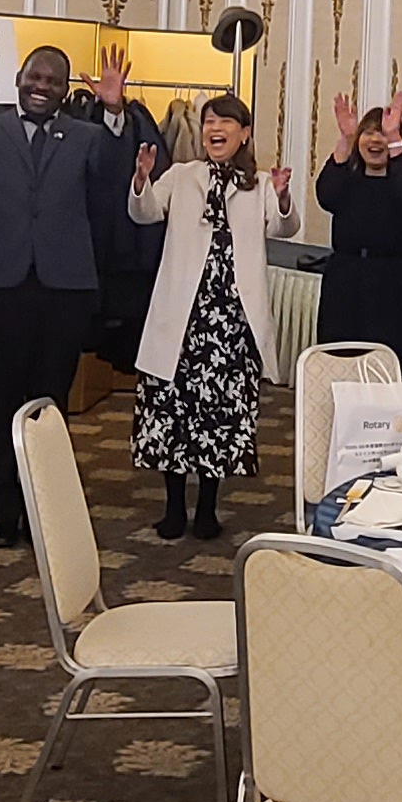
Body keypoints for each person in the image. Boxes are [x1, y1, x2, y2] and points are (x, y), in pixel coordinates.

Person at [0, 34, 141, 547]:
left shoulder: (87, 135)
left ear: (66, 90)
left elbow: (116, 174)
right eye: (34, 77)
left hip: (63, 289)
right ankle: (3, 515)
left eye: (53, 81)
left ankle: (43, 509)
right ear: (18, 80)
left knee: (49, 407)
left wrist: (115, 111)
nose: (42, 86)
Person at [126, 91, 297, 539]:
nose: (214, 130)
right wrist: (142, 181)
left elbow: (284, 227)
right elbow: (145, 213)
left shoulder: (259, 184)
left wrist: (282, 198)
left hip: (232, 321)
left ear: (244, 134)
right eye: (208, 122)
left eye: (225, 123)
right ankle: (172, 508)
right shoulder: (182, 175)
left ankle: (206, 508)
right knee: (171, 411)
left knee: (218, 415)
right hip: (181, 317)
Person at [312, 85, 402, 379]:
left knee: (389, 366)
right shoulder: (346, 179)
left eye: (382, 134)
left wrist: (394, 137)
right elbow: (326, 196)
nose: (375, 140)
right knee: (342, 361)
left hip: (392, 285)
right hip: (345, 282)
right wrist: (346, 139)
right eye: (369, 133)